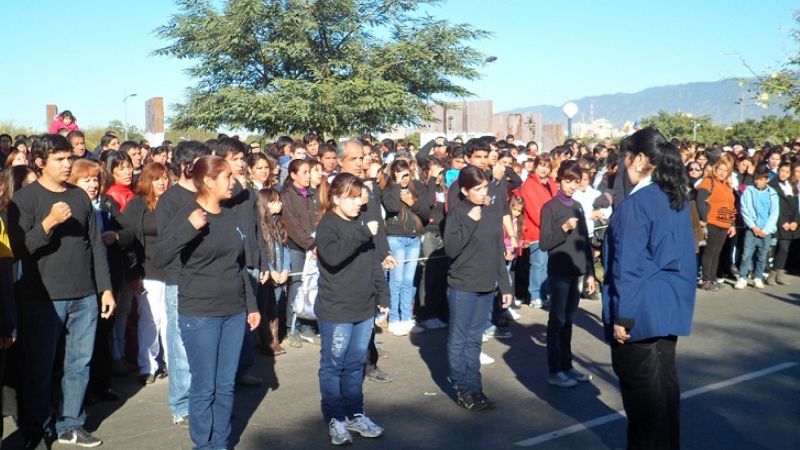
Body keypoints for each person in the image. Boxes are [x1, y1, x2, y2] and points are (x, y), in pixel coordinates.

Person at [7, 134, 116, 448]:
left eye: (69, 158)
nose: (68, 164)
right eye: (59, 159)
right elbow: (17, 249)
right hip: (43, 298)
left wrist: (105, 289)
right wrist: (48, 223)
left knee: (79, 364)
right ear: (40, 163)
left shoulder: (80, 197)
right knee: (40, 366)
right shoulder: (24, 200)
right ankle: (37, 427)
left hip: (85, 295)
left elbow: (95, 245)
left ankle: (72, 423)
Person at [154, 156, 260, 449]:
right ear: (208, 181)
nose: (233, 181)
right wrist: (188, 228)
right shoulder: (188, 214)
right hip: (200, 313)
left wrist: (251, 306)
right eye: (226, 176)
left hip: (233, 312)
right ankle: (204, 445)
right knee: (204, 386)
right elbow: (160, 256)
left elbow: (238, 266)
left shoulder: (230, 215)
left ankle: (221, 443)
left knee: (225, 386)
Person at [602, 127, 696, 450]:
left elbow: (626, 268)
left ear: (640, 159)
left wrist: (623, 318)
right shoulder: (677, 198)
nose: (623, 165)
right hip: (668, 310)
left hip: (639, 313)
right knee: (666, 402)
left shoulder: (635, 205)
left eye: (626, 157)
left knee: (644, 415)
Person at [315, 173, 388, 445]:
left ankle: (356, 413)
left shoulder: (362, 224)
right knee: (333, 366)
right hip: (336, 310)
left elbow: (373, 263)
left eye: (361, 197)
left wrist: (383, 294)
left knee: (356, 365)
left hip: (364, 307)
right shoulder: (328, 226)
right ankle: (336, 418)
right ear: (336, 199)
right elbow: (333, 257)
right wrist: (362, 232)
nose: (359, 202)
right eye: (353, 197)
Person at [444, 166, 512, 411]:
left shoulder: (491, 212)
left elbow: (497, 251)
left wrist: (505, 286)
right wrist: (471, 222)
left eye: (485, 187)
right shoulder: (458, 213)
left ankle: (476, 387)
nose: (484, 192)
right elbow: (451, 249)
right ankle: (463, 389)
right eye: (477, 189)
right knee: (459, 339)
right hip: (463, 285)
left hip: (486, 284)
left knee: (475, 339)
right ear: (464, 190)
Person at [154, 140, 212, 427]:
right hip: (180, 281)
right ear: (188, 166)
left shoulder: (209, 195)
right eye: (204, 162)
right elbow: (164, 248)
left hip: (209, 280)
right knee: (180, 345)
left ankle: (203, 401)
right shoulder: (169, 200)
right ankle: (182, 404)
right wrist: (190, 226)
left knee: (205, 346)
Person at [539, 161, 596, 387]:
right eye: (568, 181)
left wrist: (590, 273)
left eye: (576, 181)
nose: (572, 186)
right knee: (557, 320)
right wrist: (563, 229)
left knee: (569, 321)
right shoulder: (550, 207)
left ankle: (567, 366)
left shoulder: (578, 206)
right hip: (559, 272)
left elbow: (585, 242)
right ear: (559, 180)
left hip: (577, 271)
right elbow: (544, 243)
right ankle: (555, 370)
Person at [119, 163, 171, 384]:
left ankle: (173, 361)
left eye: (165, 178)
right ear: (147, 181)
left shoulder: (175, 203)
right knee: (151, 319)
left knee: (172, 320)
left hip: (173, 269)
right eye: (157, 178)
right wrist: (133, 273)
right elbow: (127, 237)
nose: (162, 182)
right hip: (148, 269)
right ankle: (147, 365)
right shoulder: (136, 205)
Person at [381, 159, 429, 336]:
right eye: (400, 174)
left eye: (407, 174)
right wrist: (394, 184)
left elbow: (425, 213)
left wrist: (412, 202)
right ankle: (394, 319)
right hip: (396, 238)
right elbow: (392, 207)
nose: (404, 178)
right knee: (396, 280)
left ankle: (407, 318)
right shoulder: (388, 190)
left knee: (408, 281)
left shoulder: (415, 189)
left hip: (413, 238)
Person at [280, 158, 320, 346]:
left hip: (314, 246)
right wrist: (310, 245)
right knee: (297, 286)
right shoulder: (287, 195)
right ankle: (292, 327)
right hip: (297, 247)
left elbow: (318, 218)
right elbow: (292, 225)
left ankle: (307, 325)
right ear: (293, 175)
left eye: (308, 171)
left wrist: (317, 243)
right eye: (303, 172)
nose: (307, 175)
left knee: (312, 285)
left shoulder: (312, 194)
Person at [520, 154, 558, 308]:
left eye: (547, 166)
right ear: (535, 166)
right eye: (541, 165)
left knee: (547, 264)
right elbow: (534, 211)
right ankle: (535, 295)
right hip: (537, 231)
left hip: (552, 230)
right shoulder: (529, 185)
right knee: (538, 264)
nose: (544, 169)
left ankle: (544, 293)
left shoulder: (551, 183)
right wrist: (551, 227)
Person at [256, 188, 291, 356]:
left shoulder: (279, 224)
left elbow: (286, 249)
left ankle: (275, 339)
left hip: (279, 271)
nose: (280, 204)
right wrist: (270, 270)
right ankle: (266, 341)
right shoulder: (260, 227)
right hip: (266, 274)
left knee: (274, 307)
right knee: (263, 306)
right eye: (274, 201)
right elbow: (261, 252)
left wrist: (285, 268)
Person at [734, 166, 779, 290]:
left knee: (762, 255)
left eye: (760, 179)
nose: (757, 182)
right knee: (746, 253)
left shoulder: (772, 193)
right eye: (756, 179)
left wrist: (766, 229)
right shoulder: (748, 191)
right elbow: (745, 209)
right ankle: (742, 277)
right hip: (751, 229)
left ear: (766, 179)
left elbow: (774, 213)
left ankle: (758, 277)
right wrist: (753, 226)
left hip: (766, 230)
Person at [695, 159, 737, 291]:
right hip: (712, 222)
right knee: (709, 252)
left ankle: (713, 278)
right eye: (720, 169)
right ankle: (706, 280)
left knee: (716, 252)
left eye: (726, 171)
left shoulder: (727, 186)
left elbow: (731, 206)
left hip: (724, 224)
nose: (723, 173)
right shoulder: (708, 181)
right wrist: (704, 218)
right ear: (715, 169)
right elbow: (700, 200)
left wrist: (732, 224)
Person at [766, 161, 798, 285]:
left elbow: (796, 205)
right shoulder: (772, 185)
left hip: (791, 221)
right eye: (782, 171)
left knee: (785, 249)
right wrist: (782, 221)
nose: (784, 174)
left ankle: (780, 274)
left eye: (787, 172)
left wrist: (796, 221)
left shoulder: (792, 186)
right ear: (778, 171)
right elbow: (774, 206)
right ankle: (772, 274)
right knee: (780, 248)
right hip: (778, 220)